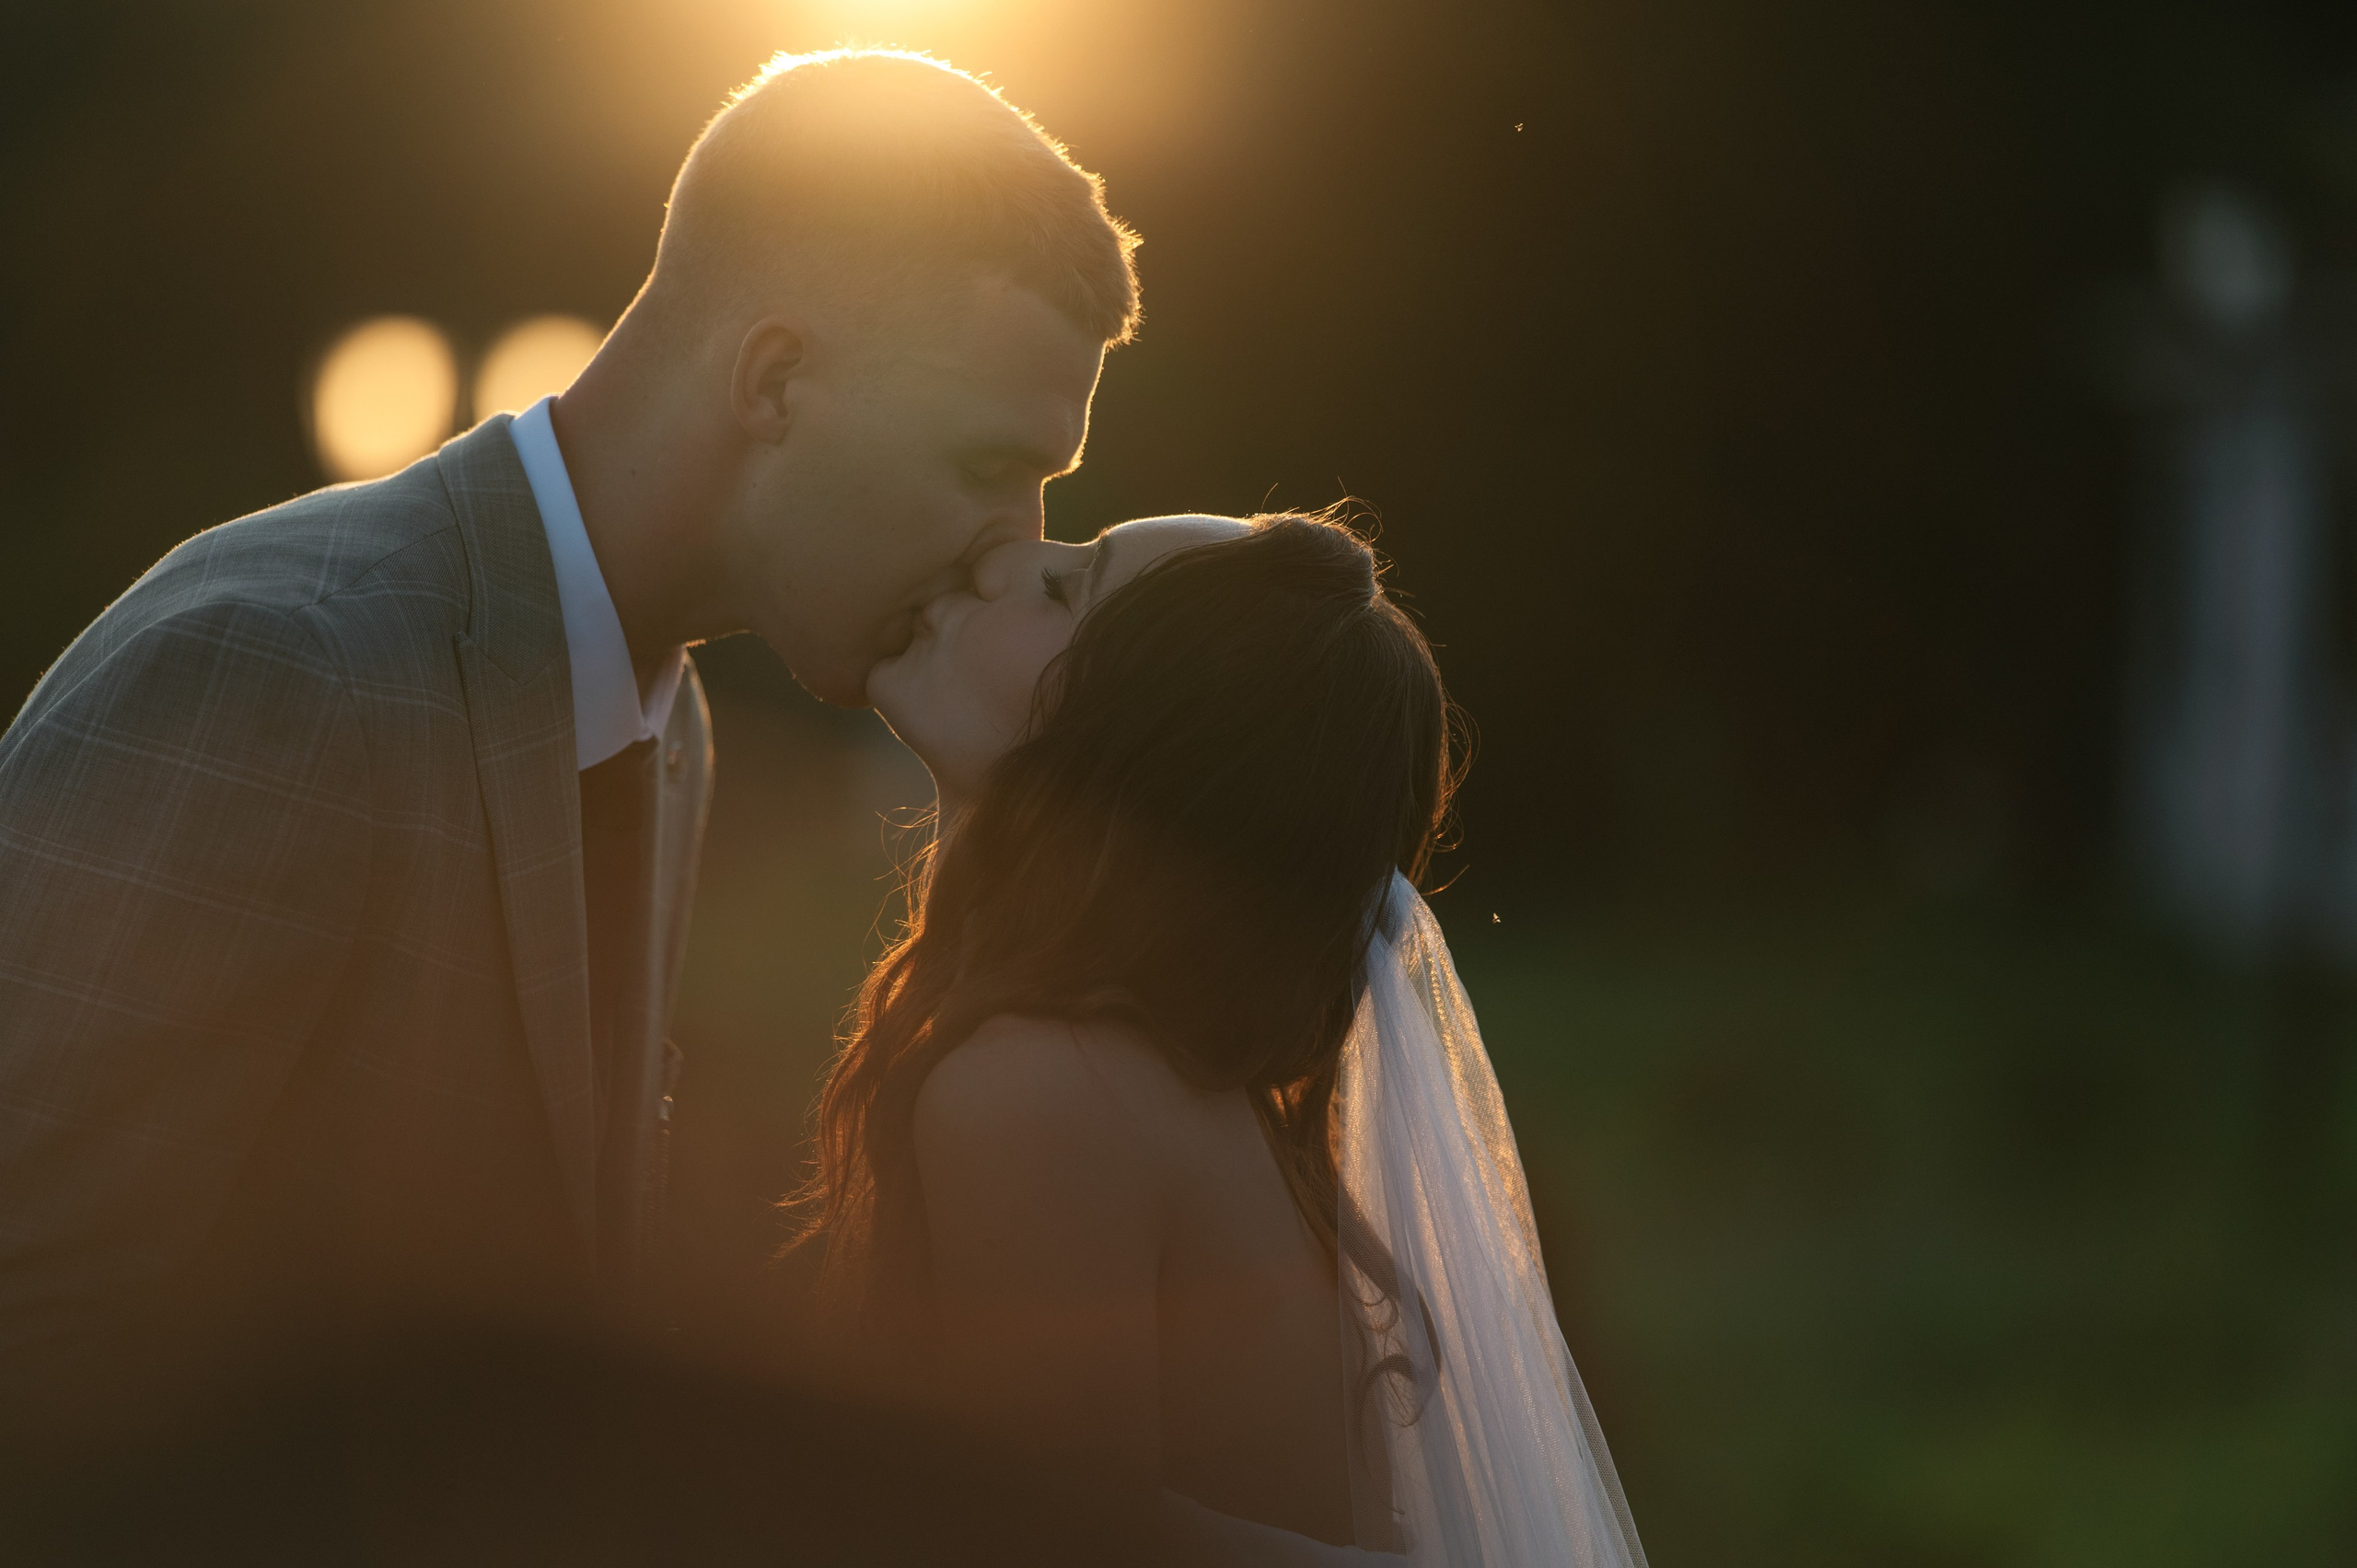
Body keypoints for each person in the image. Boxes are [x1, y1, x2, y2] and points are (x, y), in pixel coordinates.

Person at [0, 48, 1137, 1443]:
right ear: (775, 378)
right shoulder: (285, 666)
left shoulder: (672, 724)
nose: (1013, 541)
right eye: (984, 464)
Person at [807, 510, 1651, 1564]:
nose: (1005, 552)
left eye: (1066, 590)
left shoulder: (1042, 1093)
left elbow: (1054, 1539)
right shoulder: (1179, 1094)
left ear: (1136, 751)